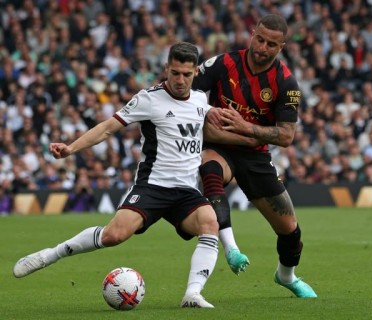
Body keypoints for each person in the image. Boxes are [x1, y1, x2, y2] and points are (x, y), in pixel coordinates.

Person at [12, 42, 258, 308]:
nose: (180, 80)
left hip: (186, 191)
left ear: (194, 73)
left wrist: (253, 136)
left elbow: (210, 124)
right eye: (175, 72)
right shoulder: (149, 99)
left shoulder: (200, 100)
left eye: (186, 74)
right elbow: (107, 128)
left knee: (209, 222)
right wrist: (70, 148)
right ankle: (51, 254)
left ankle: (193, 294)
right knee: (113, 236)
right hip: (152, 186)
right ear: (166, 68)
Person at [192, 14, 317, 298]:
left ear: (281, 47)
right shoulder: (222, 64)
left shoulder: (287, 84)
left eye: (271, 44)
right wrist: (209, 114)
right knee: (209, 168)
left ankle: (286, 277)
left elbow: (286, 136)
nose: (262, 47)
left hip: (256, 157)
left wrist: (244, 127)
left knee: (290, 231)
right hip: (219, 146)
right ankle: (231, 247)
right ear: (252, 33)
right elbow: (188, 92)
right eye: (259, 39)